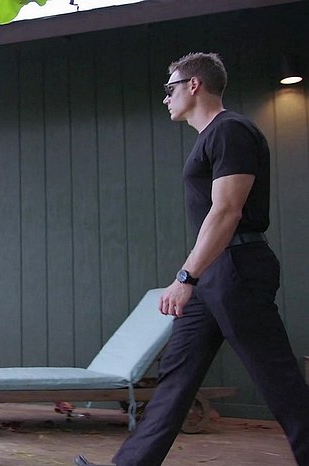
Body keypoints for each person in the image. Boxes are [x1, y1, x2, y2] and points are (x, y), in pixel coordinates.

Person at [76, 52, 309, 466]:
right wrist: (194, 277)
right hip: (215, 273)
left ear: (194, 85)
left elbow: (227, 211)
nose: (166, 98)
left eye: (170, 88)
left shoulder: (230, 131)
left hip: (237, 268)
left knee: (277, 379)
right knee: (176, 378)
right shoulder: (210, 137)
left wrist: (185, 277)